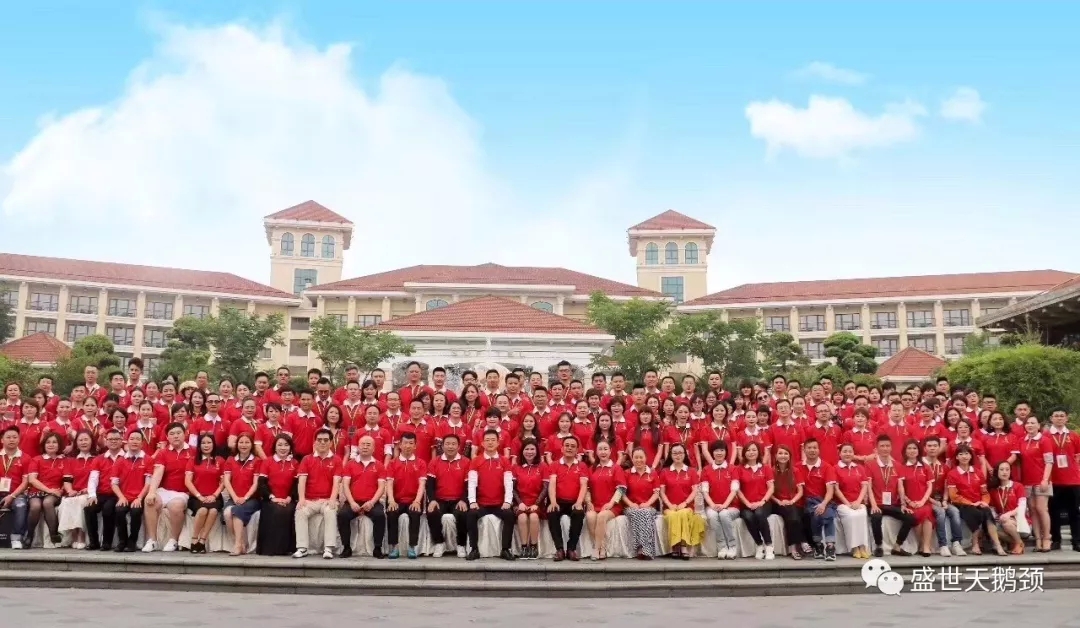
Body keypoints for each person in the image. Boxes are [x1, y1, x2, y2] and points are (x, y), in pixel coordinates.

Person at [465, 429, 516, 561]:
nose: (490, 443)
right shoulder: (476, 461)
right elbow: (472, 483)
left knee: (510, 515)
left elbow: (508, 483)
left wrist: (507, 501)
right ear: (482, 443)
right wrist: (472, 501)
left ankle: (505, 549)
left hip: (499, 503)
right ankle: (474, 549)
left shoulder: (504, 461)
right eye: (487, 440)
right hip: (482, 503)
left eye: (493, 440)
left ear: (498, 443)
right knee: (471, 515)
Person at [947, 444, 1006, 556]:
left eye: (967, 454)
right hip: (961, 504)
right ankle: (975, 544)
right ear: (957, 457)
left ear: (971, 456)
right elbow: (953, 496)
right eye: (961, 454)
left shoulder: (978, 472)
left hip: (978, 502)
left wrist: (984, 502)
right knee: (975, 513)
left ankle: (997, 544)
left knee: (987, 511)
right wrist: (971, 503)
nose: (964, 456)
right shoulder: (952, 474)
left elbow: (984, 492)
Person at [293, 428, 342, 559]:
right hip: (309, 500)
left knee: (330, 511)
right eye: (319, 440)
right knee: (300, 512)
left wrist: (332, 499)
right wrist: (301, 499)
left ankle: (328, 548)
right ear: (315, 442)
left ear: (331, 442)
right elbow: (301, 481)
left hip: (327, 500)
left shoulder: (337, 460)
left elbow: (336, 482)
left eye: (326, 440)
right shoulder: (306, 459)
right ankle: (302, 548)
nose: (322, 443)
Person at [143, 423, 192, 552]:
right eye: (172, 434)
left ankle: (173, 540)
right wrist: (151, 492)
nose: (175, 436)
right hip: (165, 490)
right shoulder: (163, 453)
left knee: (176, 506)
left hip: (183, 492)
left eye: (178, 433)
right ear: (167, 437)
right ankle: (152, 540)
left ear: (185, 434)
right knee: (149, 501)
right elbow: (158, 472)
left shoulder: (193, 451)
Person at [337, 434, 387, 559]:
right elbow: (345, 485)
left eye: (368, 444)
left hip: (372, 501)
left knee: (380, 516)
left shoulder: (379, 465)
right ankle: (346, 548)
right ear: (358, 447)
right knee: (342, 515)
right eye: (362, 444)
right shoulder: (350, 464)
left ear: (374, 448)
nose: (365, 447)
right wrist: (352, 502)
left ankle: (377, 548)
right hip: (353, 501)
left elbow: (381, 487)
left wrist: (372, 502)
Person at [866, 434, 915, 557]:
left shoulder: (897, 465)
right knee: (876, 517)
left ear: (891, 447)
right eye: (882, 446)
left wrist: (903, 504)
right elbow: (868, 487)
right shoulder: (870, 464)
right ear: (877, 448)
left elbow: (900, 487)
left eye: (887, 446)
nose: (885, 448)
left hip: (891, 504)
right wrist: (873, 505)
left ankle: (897, 546)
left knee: (910, 518)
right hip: (876, 503)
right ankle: (879, 546)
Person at [426, 434, 469, 558]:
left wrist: (463, 500)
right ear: (442, 446)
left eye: (453, 444)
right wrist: (432, 500)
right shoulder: (435, 462)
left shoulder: (466, 462)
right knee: (432, 512)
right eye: (448, 444)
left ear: (459, 446)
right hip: (440, 499)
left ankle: (461, 545)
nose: (450, 446)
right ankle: (439, 543)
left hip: (458, 500)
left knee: (462, 513)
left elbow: (469, 485)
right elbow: (430, 485)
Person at [385, 432, 426, 559]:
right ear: (400, 445)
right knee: (392, 512)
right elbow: (389, 483)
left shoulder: (421, 463)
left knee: (415, 513)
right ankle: (394, 547)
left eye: (411, 443)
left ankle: (412, 547)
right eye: (405, 443)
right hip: (397, 499)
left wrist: (417, 501)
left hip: (413, 499)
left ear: (415, 446)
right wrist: (391, 500)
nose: (408, 446)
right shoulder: (393, 463)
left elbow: (422, 484)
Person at [256, 435, 299, 556]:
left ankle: (287, 548)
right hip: (270, 499)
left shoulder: (295, 463)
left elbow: (296, 484)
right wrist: (273, 498)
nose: (283, 448)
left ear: (290, 447)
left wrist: (289, 498)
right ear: (274, 447)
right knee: (277, 510)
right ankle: (271, 548)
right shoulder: (267, 462)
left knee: (288, 510)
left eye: (286, 445)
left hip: (288, 499)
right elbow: (262, 484)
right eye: (280, 445)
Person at [922, 437, 965, 557]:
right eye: (929, 446)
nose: (932, 448)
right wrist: (932, 501)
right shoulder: (920, 465)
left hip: (941, 500)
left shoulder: (944, 466)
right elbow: (920, 488)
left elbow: (947, 486)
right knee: (940, 512)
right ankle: (943, 545)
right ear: (924, 448)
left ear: (939, 448)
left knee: (955, 511)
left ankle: (956, 543)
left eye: (935, 446)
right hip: (926, 500)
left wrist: (945, 500)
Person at [547, 436, 588, 561]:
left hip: (574, 501)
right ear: (562, 448)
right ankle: (559, 549)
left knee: (578, 513)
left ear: (577, 450)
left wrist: (579, 502)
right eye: (567, 445)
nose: (569, 448)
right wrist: (553, 502)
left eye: (573, 446)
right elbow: (552, 484)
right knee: (552, 512)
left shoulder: (582, 465)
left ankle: (571, 549)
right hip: (558, 500)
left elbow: (584, 485)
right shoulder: (554, 465)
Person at [660, 443, 704, 559]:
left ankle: (683, 546)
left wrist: (685, 503)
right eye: (675, 453)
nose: (677, 455)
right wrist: (669, 505)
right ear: (670, 455)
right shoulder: (665, 471)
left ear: (685, 454)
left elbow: (694, 491)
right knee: (673, 515)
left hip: (687, 506)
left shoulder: (692, 471)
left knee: (683, 513)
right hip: (670, 507)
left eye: (680, 453)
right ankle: (675, 546)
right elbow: (662, 492)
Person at [110, 431, 152, 552]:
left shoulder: (148, 460)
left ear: (142, 443)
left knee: (135, 512)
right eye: (132, 439)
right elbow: (114, 483)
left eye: (137, 439)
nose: (134, 441)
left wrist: (139, 498)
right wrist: (121, 497)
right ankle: (122, 541)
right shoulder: (120, 460)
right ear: (127, 442)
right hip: (124, 496)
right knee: (119, 510)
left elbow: (148, 483)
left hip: (140, 496)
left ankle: (132, 541)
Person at [585, 440, 626, 560]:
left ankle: (596, 549)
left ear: (610, 451)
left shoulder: (616, 468)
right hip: (595, 504)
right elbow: (587, 488)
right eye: (600, 449)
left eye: (605, 449)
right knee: (590, 516)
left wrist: (611, 503)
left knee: (602, 516)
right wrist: (588, 502)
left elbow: (621, 489)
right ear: (596, 452)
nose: (603, 452)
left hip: (612, 506)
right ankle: (602, 547)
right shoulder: (592, 468)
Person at [1046, 408, 1080, 551]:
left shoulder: (1073, 436)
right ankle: (1056, 540)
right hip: (1054, 480)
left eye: (1062, 416)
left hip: (1073, 480)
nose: (1059, 418)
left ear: (1066, 418)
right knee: (1053, 511)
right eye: (1056, 416)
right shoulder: (1045, 436)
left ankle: (1077, 540)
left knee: (1075, 512)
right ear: (1051, 418)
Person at [84, 429, 124, 550]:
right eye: (110, 439)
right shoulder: (99, 459)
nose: (113, 441)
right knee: (89, 508)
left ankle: (107, 542)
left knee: (108, 509)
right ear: (106, 441)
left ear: (121, 441)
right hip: (101, 493)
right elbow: (93, 479)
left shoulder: (126, 458)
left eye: (116, 439)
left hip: (118, 494)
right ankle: (94, 542)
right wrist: (92, 495)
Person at [184, 433, 224, 554]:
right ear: (199, 445)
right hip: (197, 496)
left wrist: (214, 495)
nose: (206, 445)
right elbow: (187, 481)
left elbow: (223, 482)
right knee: (202, 510)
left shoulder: (220, 461)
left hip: (214, 496)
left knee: (213, 511)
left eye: (209, 442)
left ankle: (202, 541)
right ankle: (194, 539)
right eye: (203, 443)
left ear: (213, 444)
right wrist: (199, 496)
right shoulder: (193, 460)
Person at [1019, 414, 1053, 552]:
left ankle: (1047, 538)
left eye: (1033, 423)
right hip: (1027, 481)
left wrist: (1045, 479)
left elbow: (1049, 462)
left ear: (1039, 425)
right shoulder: (1022, 440)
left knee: (1041, 509)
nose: (1030, 425)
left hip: (1041, 480)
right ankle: (1038, 539)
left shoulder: (1044, 440)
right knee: (1032, 510)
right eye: (1027, 423)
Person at [702, 440, 741, 559]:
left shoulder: (733, 469)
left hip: (731, 506)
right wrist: (713, 505)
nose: (719, 453)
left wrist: (724, 505)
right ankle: (722, 547)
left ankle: (732, 546)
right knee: (712, 515)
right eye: (716, 450)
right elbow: (705, 491)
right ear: (712, 453)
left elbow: (734, 490)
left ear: (726, 452)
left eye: (722, 450)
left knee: (724, 514)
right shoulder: (706, 469)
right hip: (712, 506)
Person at [800, 438, 838, 561]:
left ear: (819, 450)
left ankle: (830, 546)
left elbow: (830, 491)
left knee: (827, 513)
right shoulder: (798, 466)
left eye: (815, 448)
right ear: (804, 450)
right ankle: (818, 545)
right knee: (816, 514)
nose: (812, 450)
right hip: (808, 502)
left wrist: (823, 504)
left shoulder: (827, 467)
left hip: (824, 500)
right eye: (809, 448)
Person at [57, 430, 96, 548]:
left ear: (91, 441)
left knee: (81, 501)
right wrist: (70, 491)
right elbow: (67, 480)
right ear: (76, 443)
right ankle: (74, 534)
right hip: (74, 492)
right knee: (68, 501)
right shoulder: (70, 460)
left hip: (90, 492)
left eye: (86, 439)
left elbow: (98, 480)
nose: (83, 442)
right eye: (80, 440)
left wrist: (88, 489)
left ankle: (81, 536)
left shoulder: (97, 459)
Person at [26, 432, 66, 546]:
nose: (51, 444)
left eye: (54, 442)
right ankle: (29, 536)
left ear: (59, 445)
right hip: (37, 491)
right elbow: (32, 480)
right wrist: (49, 490)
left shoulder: (64, 460)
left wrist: (61, 490)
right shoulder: (36, 459)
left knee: (47, 503)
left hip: (55, 492)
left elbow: (67, 479)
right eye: (48, 442)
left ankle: (54, 534)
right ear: (44, 445)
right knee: (35, 506)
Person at [223, 433, 260, 556]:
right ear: (237, 444)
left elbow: (255, 483)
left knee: (236, 511)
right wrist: (234, 497)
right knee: (227, 513)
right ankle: (241, 543)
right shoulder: (230, 460)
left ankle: (237, 545)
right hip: (234, 497)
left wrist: (245, 497)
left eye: (247, 442)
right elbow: (226, 481)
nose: (244, 445)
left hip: (251, 498)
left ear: (251, 445)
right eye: (241, 442)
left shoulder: (257, 461)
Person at [737, 441, 775, 559]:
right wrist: (747, 503)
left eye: (754, 450)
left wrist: (762, 501)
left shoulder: (765, 468)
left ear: (759, 452)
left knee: (759, 513)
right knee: (748, 516)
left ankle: (769, 546)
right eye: (748, 450)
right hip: (746, 504)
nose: (751, 452)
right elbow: (737, 490)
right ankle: (759, 544)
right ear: (744, 453)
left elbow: (771, 488)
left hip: (764, 502)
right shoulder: (739, 469)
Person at [898, 439, 935, 557]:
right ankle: (921, 543)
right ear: (905, 451)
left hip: (924, 501)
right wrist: (909, 502)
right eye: (909, 448)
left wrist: (923, 501)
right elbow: (900, 488)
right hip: (910, 502)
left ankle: (926, 546)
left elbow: (929, 486)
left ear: (919, 451)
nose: (912, 450)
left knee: (927, 513)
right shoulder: (901, 467)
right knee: (916, 515)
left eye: (914, 448)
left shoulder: (925, 467)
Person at [623, 446, 660, 560]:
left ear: (646, 458)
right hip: (631, 506)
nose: (638, 460)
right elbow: (622, 493)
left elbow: (656, 493)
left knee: (645, 513)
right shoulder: (627, 473)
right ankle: (642, 548)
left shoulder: (652, 473)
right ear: (632, 459)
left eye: (641, 457)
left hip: (649, 506)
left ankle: (644, 548)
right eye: (636, 457)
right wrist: (631, 504)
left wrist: (647, 504)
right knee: (636, 513)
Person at [834, 443, 870, 559]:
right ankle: (854, 547)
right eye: (845, 451)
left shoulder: (860, 468)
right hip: (842, 503)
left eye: (850, 451)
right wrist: (848, 504)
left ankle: (863, 547)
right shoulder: (835, 468)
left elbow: (864, 486)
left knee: (862, 514)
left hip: (858, 502)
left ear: (853, 454)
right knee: (852, 516)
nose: (847, 454)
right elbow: (836, 489)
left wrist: (858, 502)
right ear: (839, 454)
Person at [770, 445, 806, 559]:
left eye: (786, 454)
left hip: (792, 503)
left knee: (793, 516)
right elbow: (769, 492)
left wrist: (791, 501)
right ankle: (801, 542)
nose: (783, 456)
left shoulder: (795, 471)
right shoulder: (771, 471)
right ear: (775, 456)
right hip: (776, 504)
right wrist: (779, 501)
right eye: (780, 453)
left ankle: (794, 547)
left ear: (790, 456)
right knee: (792, 515)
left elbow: (800, 491)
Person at [512, 438, 545, 560]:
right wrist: (520, 503)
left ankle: (533, 547)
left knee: (534, 516)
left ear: (537, 451)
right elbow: (512, 488)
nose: (529, 452)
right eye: (527, 449)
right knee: (522, 517)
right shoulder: (516, 467)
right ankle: (524, 547)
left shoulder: (542, 466)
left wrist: (537, 504)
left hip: (537, 502)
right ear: (522, 451)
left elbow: (545, 488)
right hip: (520, 502)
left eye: (532, 449)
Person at [987, 461, 1025, 555]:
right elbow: (992, 508)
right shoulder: (994, 490)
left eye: (1007, 469)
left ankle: (1019, 543)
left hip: (1018, 519)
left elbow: (1022, 506)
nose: (1005, 472)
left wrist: (1009, 514)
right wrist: (996, 517)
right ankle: (1015, 542)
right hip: (1001, 519)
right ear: (997, 472)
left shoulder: (1018, 486)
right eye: (1002, 469)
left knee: (1007, 523)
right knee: (990, 527)